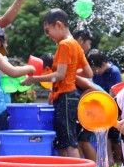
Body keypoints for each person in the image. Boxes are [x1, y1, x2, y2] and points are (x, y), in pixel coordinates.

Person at [21, 9, 93, 158]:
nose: (48, 36)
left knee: (69, 142)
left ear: (58, 25)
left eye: (48, 31)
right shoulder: (75, 44)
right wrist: (70, 73)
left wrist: (33, 79)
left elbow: (59, 75)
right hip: (70, 96)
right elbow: (88, 73)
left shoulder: (64, 45)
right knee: (63, 141)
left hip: (65, 96)